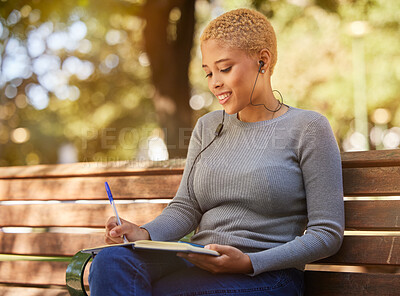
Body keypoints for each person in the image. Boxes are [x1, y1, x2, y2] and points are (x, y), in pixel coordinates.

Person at [88, 8, 344, 296]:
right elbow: (187, 206)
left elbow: (327, 233)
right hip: (200, 259)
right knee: (110, 261)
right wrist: (144, 233)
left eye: (224, 69)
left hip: (268, 275)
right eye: (208, 72)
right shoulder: (208, 126)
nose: (214, 83)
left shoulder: (308, 128)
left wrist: (248, 262)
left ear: (263, 60)